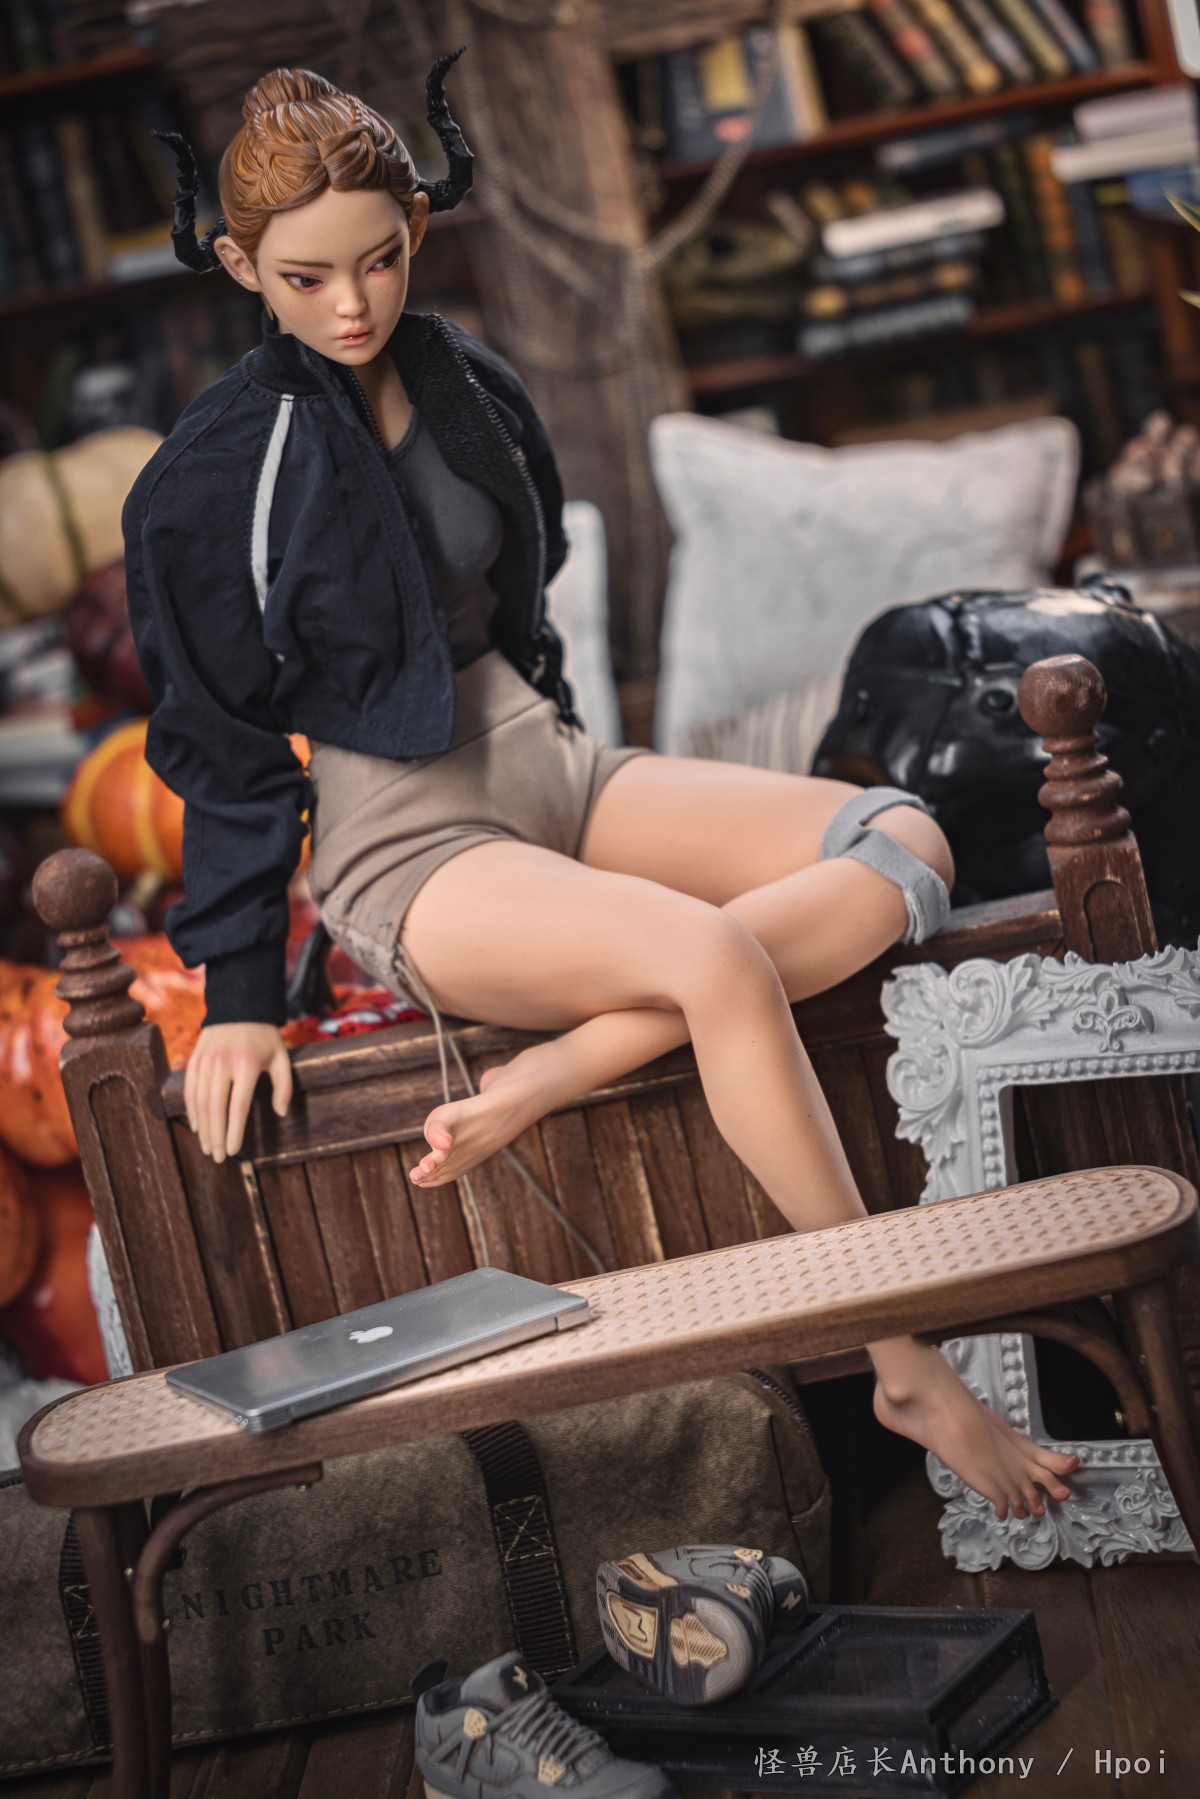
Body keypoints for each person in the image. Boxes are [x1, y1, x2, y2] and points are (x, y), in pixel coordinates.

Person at [124, 57, 1079, 1525]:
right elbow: (220, 739)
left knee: (903, 837)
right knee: (712, 956)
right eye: (306, 278)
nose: (352, 305)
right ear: (242, 266)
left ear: (417, 229)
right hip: (407, 841)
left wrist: (569, 757)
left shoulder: (468, 381)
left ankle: (566, 1065)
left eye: (379, 260)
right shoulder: (208, 478)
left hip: (551, 760)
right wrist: (241, 991)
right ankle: (903, 1355)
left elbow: (526, 592)